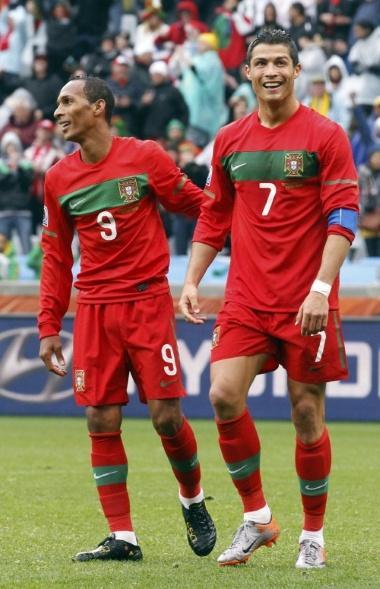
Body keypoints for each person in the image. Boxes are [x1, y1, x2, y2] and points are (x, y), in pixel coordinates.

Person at [179, 28, 359, 569]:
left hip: (307, 301)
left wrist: (320, 290)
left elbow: (343, 218)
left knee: (306, 413)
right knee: (222, 396)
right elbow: (214, 214)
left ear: (297, 70)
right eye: (261, 63)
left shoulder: (326, 136)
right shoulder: (231, 140)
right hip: (246, 300)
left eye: (282, 61)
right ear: (249, 72)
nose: (272, 71)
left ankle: (313, 534)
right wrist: (191, 280)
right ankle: (257, 518)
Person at [38, 75, 216, 563]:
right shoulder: (57, 179)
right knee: (100, 416)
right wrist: (49, 324)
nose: (57, 111)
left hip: (146, 303)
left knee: (166, 416)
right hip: (94, 309)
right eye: (57, 103)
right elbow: (56, 257)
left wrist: (247, 230)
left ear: (98, 108)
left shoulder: (145, 157)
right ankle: (123, 536)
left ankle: (193, 501)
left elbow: (195, 206)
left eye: (67, 101)